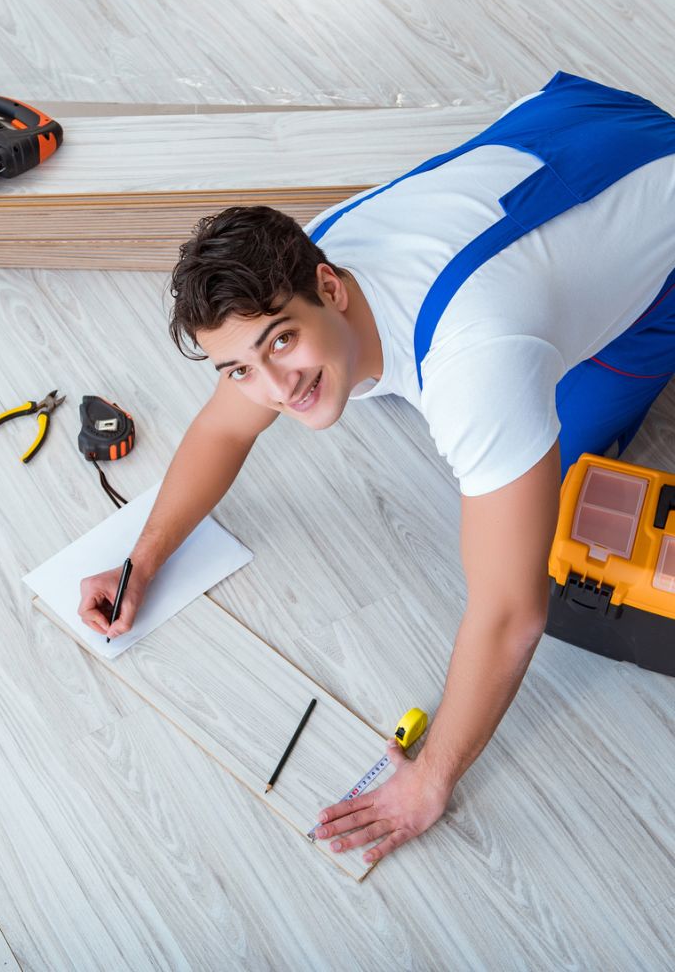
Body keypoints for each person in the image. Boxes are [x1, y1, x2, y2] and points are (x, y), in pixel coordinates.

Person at [77, 72, 675, 864]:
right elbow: (223, 432)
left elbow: (510, 612)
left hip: (648, 193)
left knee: (560, 478)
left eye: (282, 342)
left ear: (328, 285)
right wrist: (144, 557)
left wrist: (429, 780)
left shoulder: (478, 369)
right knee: (354, 384)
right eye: (240, 368)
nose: (275, 388)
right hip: (570, 123)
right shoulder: (312, 252)